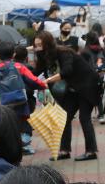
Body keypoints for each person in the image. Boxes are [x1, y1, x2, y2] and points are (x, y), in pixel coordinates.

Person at [34, 31, 100, 161]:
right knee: (64, 118)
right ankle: (64, 151)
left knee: (84, 118)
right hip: (73, 88)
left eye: (40, 45)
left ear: (47, 44)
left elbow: (67, 71)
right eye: (35, 45)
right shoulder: (45, 56)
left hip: (87, 86)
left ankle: (91, 152)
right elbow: (37, 72)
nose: (38, 48)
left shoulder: (64, 52)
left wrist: (47, 81)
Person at [0, 42, 46, 144]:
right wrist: (43, 86)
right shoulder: (19, 67)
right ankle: (23, 143)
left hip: (2, 107)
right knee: (21, 126)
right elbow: (33, 81)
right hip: (20, 104)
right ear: (13, 55)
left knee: (6, 130)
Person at [13, 45, 37, 154]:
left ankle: (19, 144)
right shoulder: (28, 68)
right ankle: (25, 145)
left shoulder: (10, 67)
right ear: (26, 56)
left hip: (13, 99)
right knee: (26, 121)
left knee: (16, 122)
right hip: (28, 99)